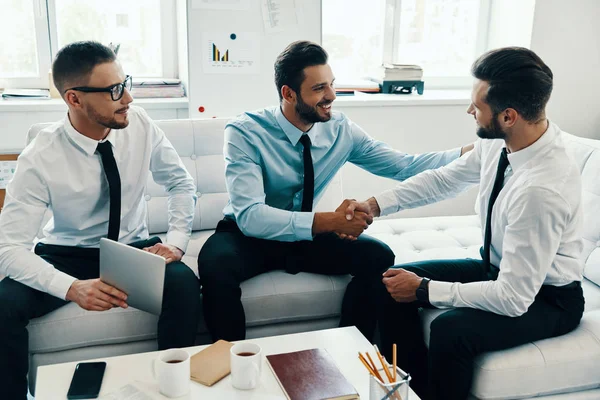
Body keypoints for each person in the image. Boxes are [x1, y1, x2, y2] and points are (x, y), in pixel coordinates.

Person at [343, 47, 585, 400]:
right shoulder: (502, 142)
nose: (469, 110)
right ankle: (407, 392)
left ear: (509, 116)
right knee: (388, 285)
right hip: (496, 268)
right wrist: (375, 204)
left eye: (477, 106)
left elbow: (514, 298)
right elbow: (444, 180)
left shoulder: (541, 189)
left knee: (450, 329)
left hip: (548, 299)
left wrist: (425, 289)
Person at [197, 40, 473, 343]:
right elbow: (250, 216)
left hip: (304, 237)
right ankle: (232, 360)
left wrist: (470, 154)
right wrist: (332, 221)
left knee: (378, 256)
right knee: (215, 265)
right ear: (288, 94)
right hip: (246, 236)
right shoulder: (244, 132)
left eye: (331, 85)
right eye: (318, 89)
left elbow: (403, 166)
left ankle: (352, 347)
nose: (331, 96)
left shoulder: (340, 129)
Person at [0, 41, 201, 399]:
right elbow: (8, 248)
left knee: (184, 285)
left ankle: (169, 391)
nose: (128, 99)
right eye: (114, 91)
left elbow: (180, 182)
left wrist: (176, 240)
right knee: (1, 304)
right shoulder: (39, 156)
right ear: (74, 99)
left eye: (126, 84)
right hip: (66, 255)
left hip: (133, 251)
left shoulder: (139, 124)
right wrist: (71, 288)